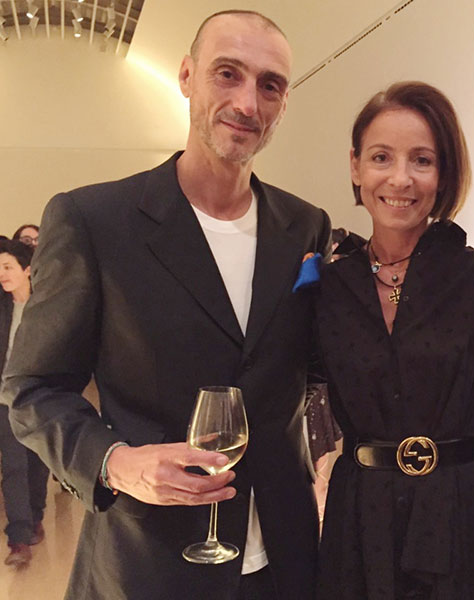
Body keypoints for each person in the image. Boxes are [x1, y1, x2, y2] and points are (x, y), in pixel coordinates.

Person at [2, 10, 329, 600]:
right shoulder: (94, 221)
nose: (247, 103)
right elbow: (32, 388)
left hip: (285, 556)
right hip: (149, 558)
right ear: (186, 76)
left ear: (284, 103)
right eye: (227, 74)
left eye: (270, 85)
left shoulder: (304, 225)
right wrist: (115, 462)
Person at [314, 81, 474, 600]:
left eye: (422, 160)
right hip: (359, 524)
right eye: (381, 157)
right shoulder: (327, 289)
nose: (400, 179)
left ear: (444, 173)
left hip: (464, 520)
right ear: (355, 167)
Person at [0, 240, 49, 569]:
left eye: (8, 267)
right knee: (14, 464)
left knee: (38, 461)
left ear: (27, 269)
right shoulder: (2, 306)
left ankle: (35, 516)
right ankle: (18, 537)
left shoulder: (45, 305)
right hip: (5, 398)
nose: (2, 274)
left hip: (41, 397)